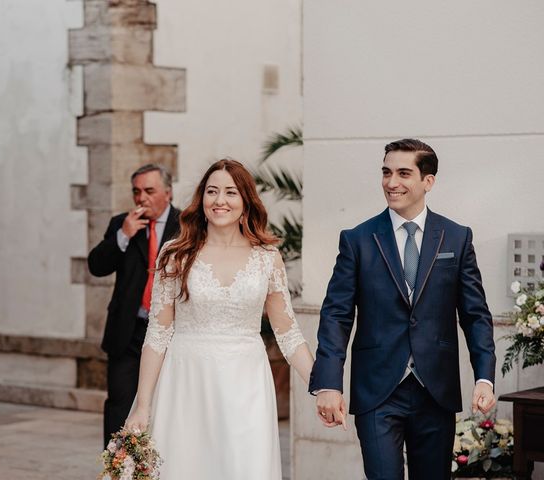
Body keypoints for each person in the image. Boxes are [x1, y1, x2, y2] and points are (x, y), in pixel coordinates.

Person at [309, 139, 496, 479]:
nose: (391, 182)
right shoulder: (358, 239)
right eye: (386, 172)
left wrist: (484, 376)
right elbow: (336, 315)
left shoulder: (456, 238)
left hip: (435, 391)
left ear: (428, 181)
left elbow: (475, 315)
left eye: (403, 173)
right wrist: (328, 384)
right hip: (378, 391)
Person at [125, 159, 314, 479]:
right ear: (202, 200)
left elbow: (288, 333)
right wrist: (143, 404)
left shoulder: (268, 257)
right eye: (212, 191)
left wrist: (320, 384)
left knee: (244, 466)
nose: (220, 200)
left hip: (246, 382)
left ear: (246, 201)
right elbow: (157, 334)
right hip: (186, 380)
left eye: (230, 192)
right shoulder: (175, 254)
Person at [87, 163, 180, 447]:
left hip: (171, 334)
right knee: (119, 404)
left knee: (166, 405)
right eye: (137, 192)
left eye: (149, 191)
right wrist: (123, 235)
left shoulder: (188, 224)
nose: (142, 198)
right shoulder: (121, 224)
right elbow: (96, 266)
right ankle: (117, 469)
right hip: (127, 332)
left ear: (168, 192)